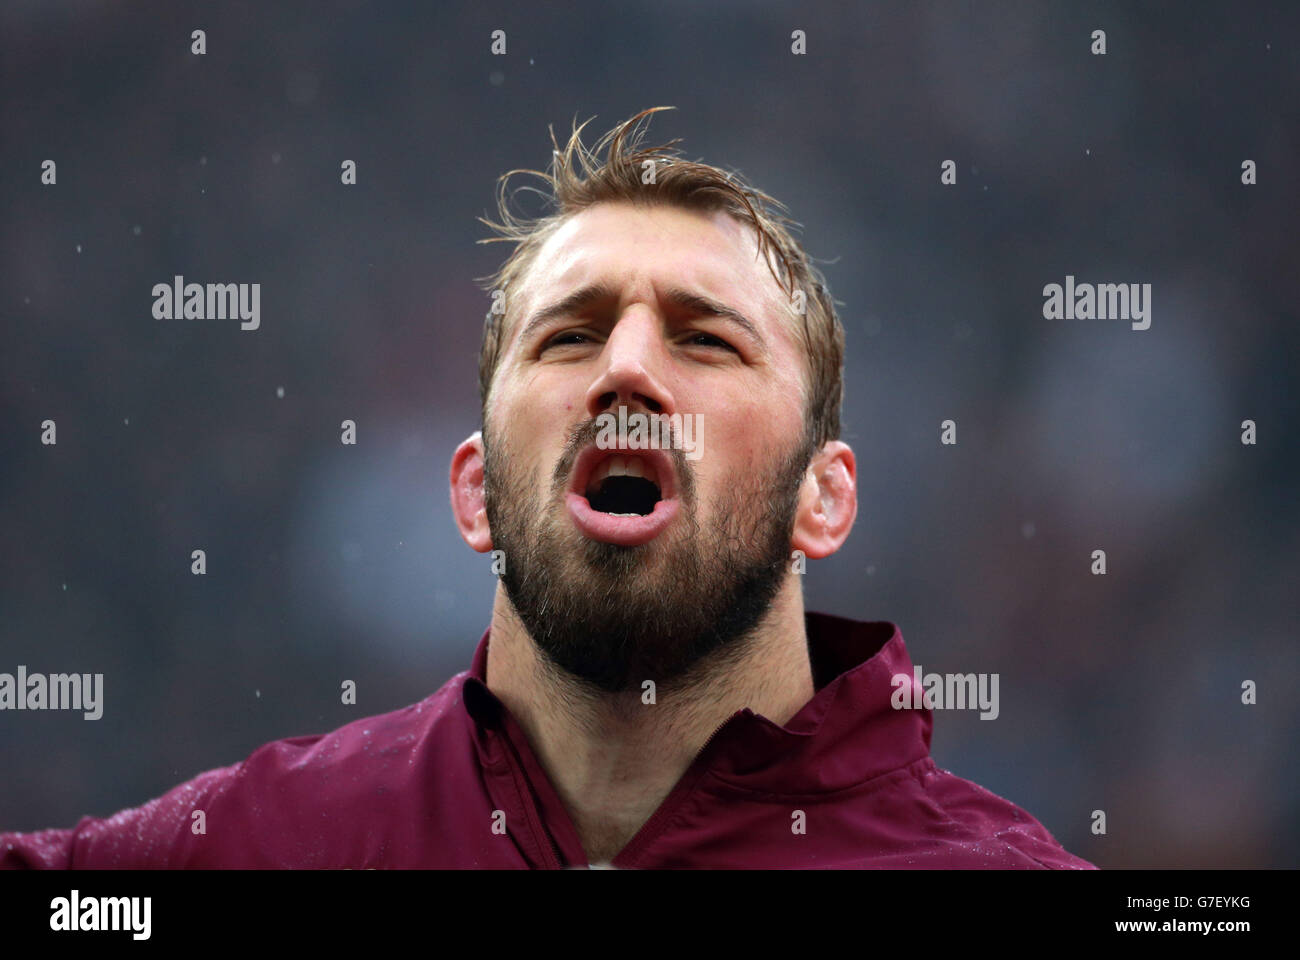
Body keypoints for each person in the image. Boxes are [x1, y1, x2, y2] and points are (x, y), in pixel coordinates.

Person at [1, 107, 1094, 869]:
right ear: (473, 493)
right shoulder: (256, 848)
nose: (625, 366)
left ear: (826, 498)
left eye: (704, 340)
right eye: (569, 336)